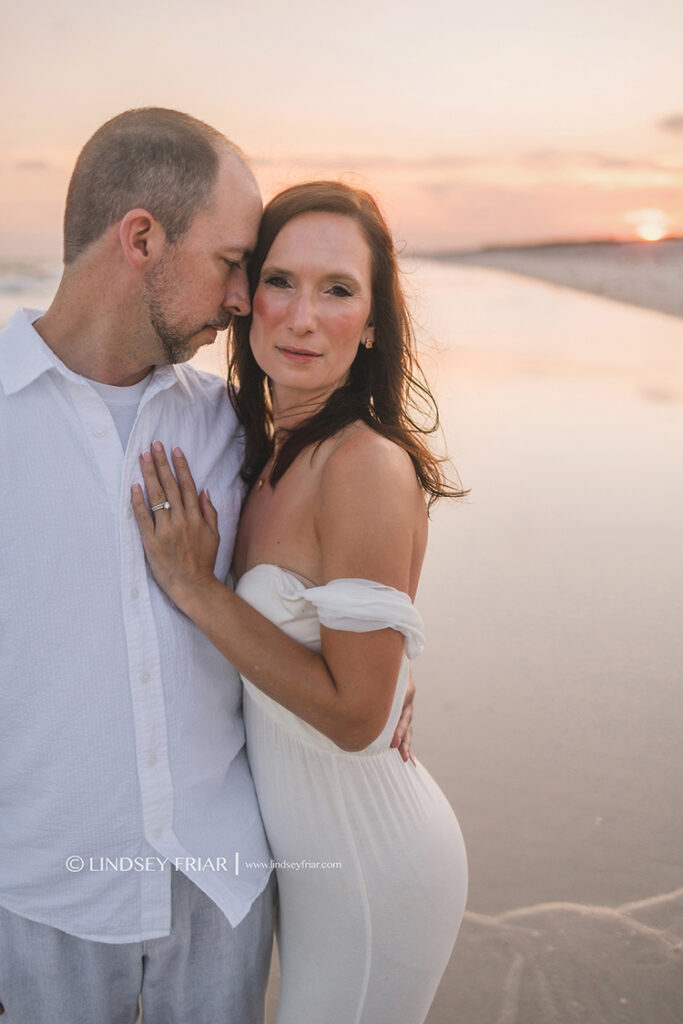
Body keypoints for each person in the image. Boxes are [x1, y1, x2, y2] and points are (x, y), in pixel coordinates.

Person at [0, 106, 412, 1024]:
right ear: (142, 239)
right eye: (234, 264)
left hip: (221, 886)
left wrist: (391, 673)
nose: (240, 300)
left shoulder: (229, 425)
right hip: (46, 899)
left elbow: (338, 572)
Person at [131, 181, 468, 1023]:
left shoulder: (363, 465)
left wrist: (196, 588)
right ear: (246, 297)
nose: (301, 317)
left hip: (371, 863)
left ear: (374, 322)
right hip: (305, 862)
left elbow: (356, 717)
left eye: (338, 290)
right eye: (280, 281)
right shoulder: (261, 450)